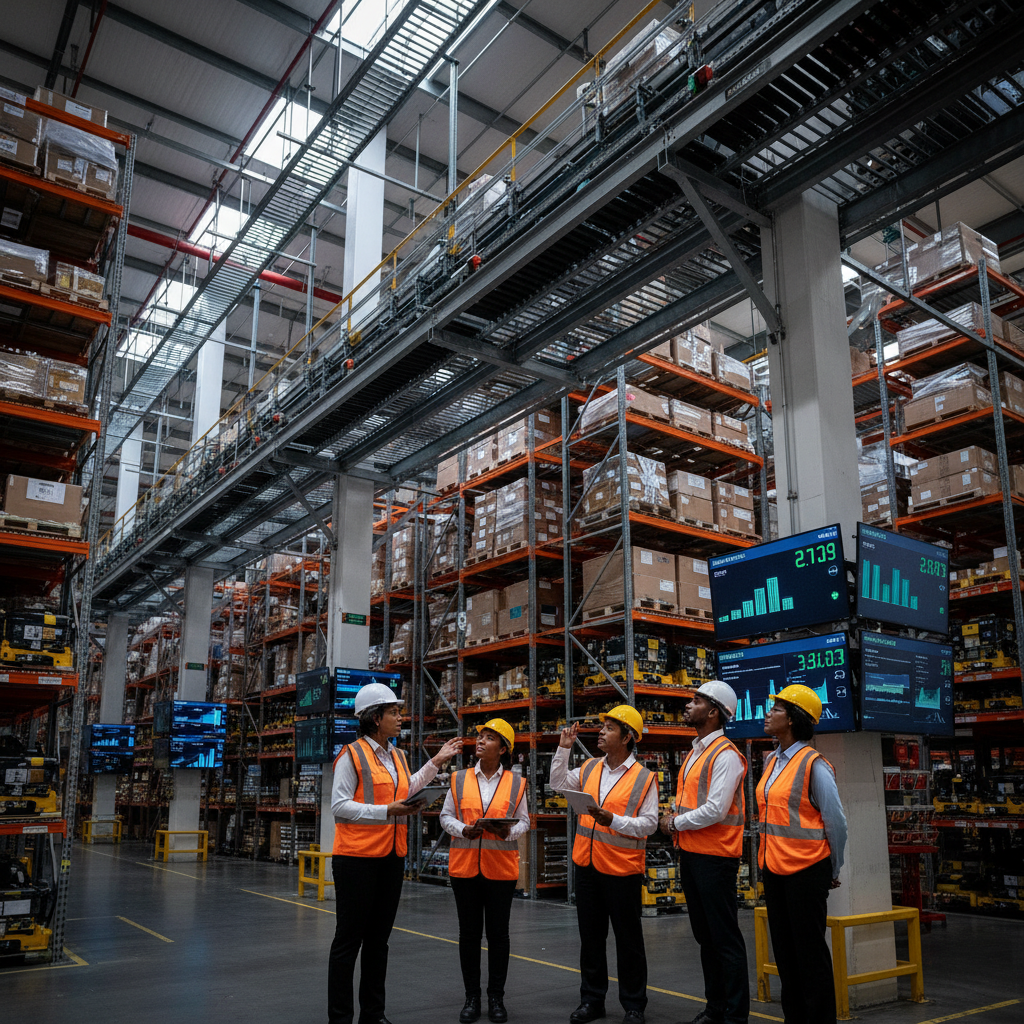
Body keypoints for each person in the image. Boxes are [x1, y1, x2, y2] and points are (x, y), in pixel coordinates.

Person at [328, 682, 462, 1024]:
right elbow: (340, 806)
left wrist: (435, 762)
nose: (400, 717)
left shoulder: (398, 756)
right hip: (356, 860)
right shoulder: (352, 755)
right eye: (394, 712)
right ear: (374, 718)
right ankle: (340, 1018)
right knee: (348, 943)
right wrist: (388, 811)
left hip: (390, 858)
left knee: (378, 942)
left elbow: (408, 787)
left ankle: (373, 1014)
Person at [552, 706, 658, 1024]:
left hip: (622, 869)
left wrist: (613, 820)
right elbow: (558, 784)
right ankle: (592, 1000)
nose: (601, 731)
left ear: (627, 738)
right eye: (603, 727)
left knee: (629, 941)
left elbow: (649, 824)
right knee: (591, 938)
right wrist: (563, 747)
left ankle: (634, 1004)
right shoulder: (588, 768)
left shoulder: (644, 778)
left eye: (610, 728)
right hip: (587, 865)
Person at [659, 681, 749, 1024]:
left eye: (696, 701)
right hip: (694, 855)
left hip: (716, 858)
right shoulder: (696, 751)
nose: (688, 705)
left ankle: (734, 1014)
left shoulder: (725, 755)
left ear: (714, 712)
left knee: (724, 939)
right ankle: (715, 1007)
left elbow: (715, 809)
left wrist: (675, 823)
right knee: (706, 938)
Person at [758, 683, 848, 1024]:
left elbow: (836, 822)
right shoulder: (771, 761)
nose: (768, 714)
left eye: (776, 709)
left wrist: (833, 867)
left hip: (806, 872)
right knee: (785, 954)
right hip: (774, 869)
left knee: (810, 955)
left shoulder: (815, 765)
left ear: (794, 719)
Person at [441, 718, 530, 1024]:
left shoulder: (517, 783)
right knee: (468, 935)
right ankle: (471, 997)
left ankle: (496, 998)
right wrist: (463, 829)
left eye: (489, 738)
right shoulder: (458, 778)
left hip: (500, 870)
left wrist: (510, 833)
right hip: (464, 869)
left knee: (498, 936)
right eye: (480, 737)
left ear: (503, 749)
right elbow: (445, 816)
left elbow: (524, 820)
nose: (480, 741)